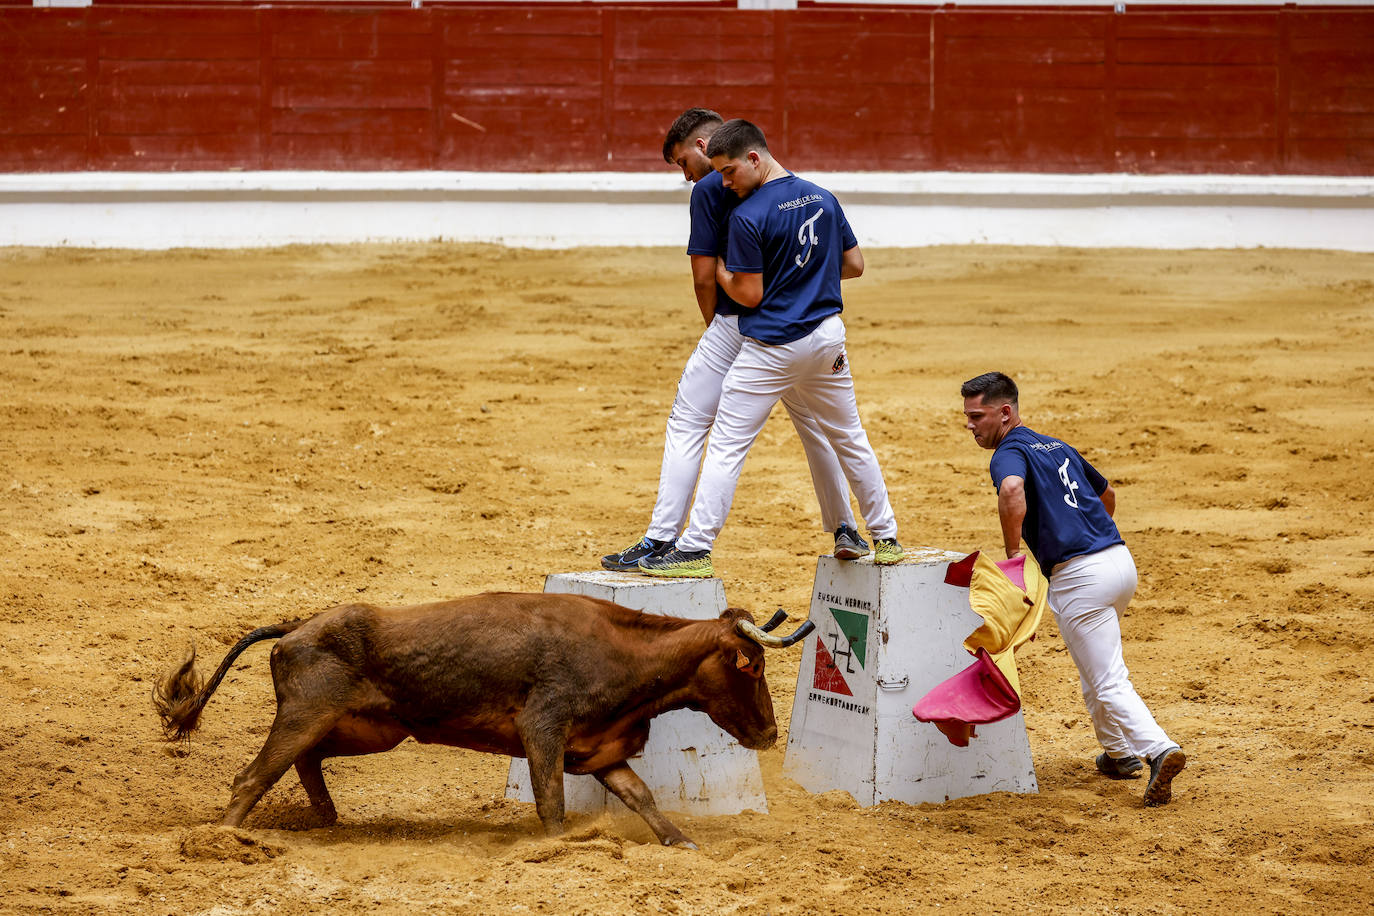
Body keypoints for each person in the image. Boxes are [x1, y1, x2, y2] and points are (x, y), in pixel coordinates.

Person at [601, 109, 868, 573]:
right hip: (801, 324)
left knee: (691, 423)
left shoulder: (710, 189)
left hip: (738, 324)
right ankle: (846, 526)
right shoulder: (789, 186)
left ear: (705, 148)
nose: (689, 177)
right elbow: (843, 262)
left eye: (684, 162)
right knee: (817, 429)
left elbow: (705, 274)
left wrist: (715, 326)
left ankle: (664, 539)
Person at [960, 371, 1187, 807]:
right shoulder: (1056, 445)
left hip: (1080, 577)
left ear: (1005, 413)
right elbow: (1107, 495)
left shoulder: (1008, 452)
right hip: (1119, 563)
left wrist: (1013, 557)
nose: (970, 425)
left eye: (977, 415)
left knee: (1107, 678)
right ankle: (1119, 754)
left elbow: (1010, 489)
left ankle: (1158, 749)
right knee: (1094, 663)